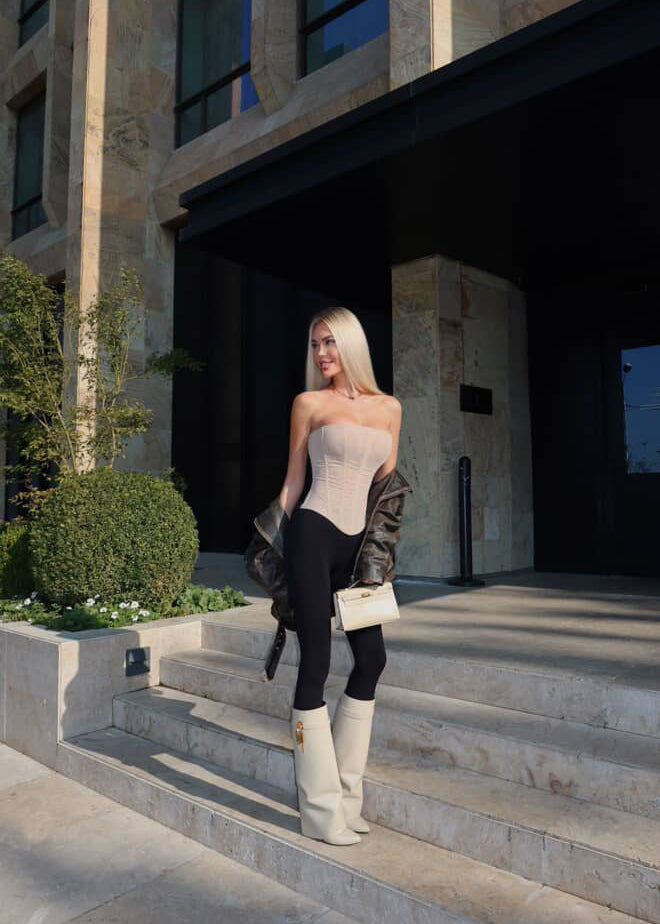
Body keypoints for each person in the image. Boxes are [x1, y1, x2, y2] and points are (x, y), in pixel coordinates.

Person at [278, 307, 403, 847]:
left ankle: (348, 799)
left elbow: (387, 494)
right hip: (312, 533)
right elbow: (292, 484)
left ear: (351, 345)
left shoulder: (390, 408)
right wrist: (272, 550)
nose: (322, 354)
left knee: (371, 659)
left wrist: (380, 559)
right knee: (317, 662)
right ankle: (321, 811)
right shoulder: (309, 404)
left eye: (330, 343)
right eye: (314, 345)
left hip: (359, 550)